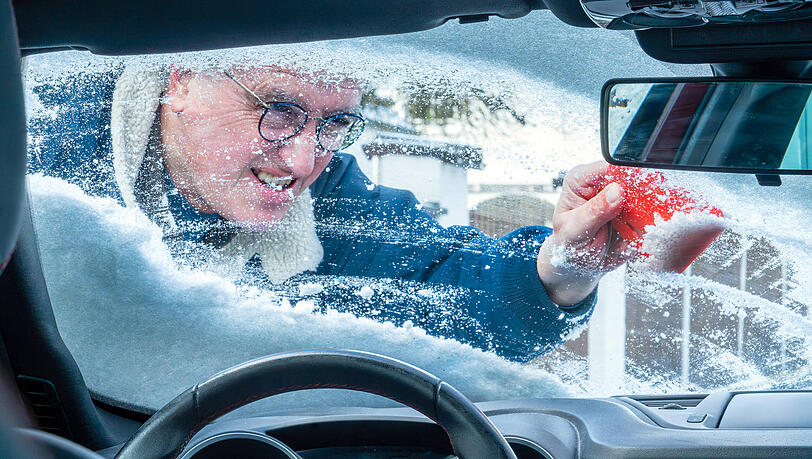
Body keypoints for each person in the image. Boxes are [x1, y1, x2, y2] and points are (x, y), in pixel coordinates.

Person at [30, 64, 635, 362]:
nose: (303, 161)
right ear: (183, 81)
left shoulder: (330, 202)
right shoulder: (34, 150)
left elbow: (441, 288)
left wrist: (558, 270)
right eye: (277, 111)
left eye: (334, 124)